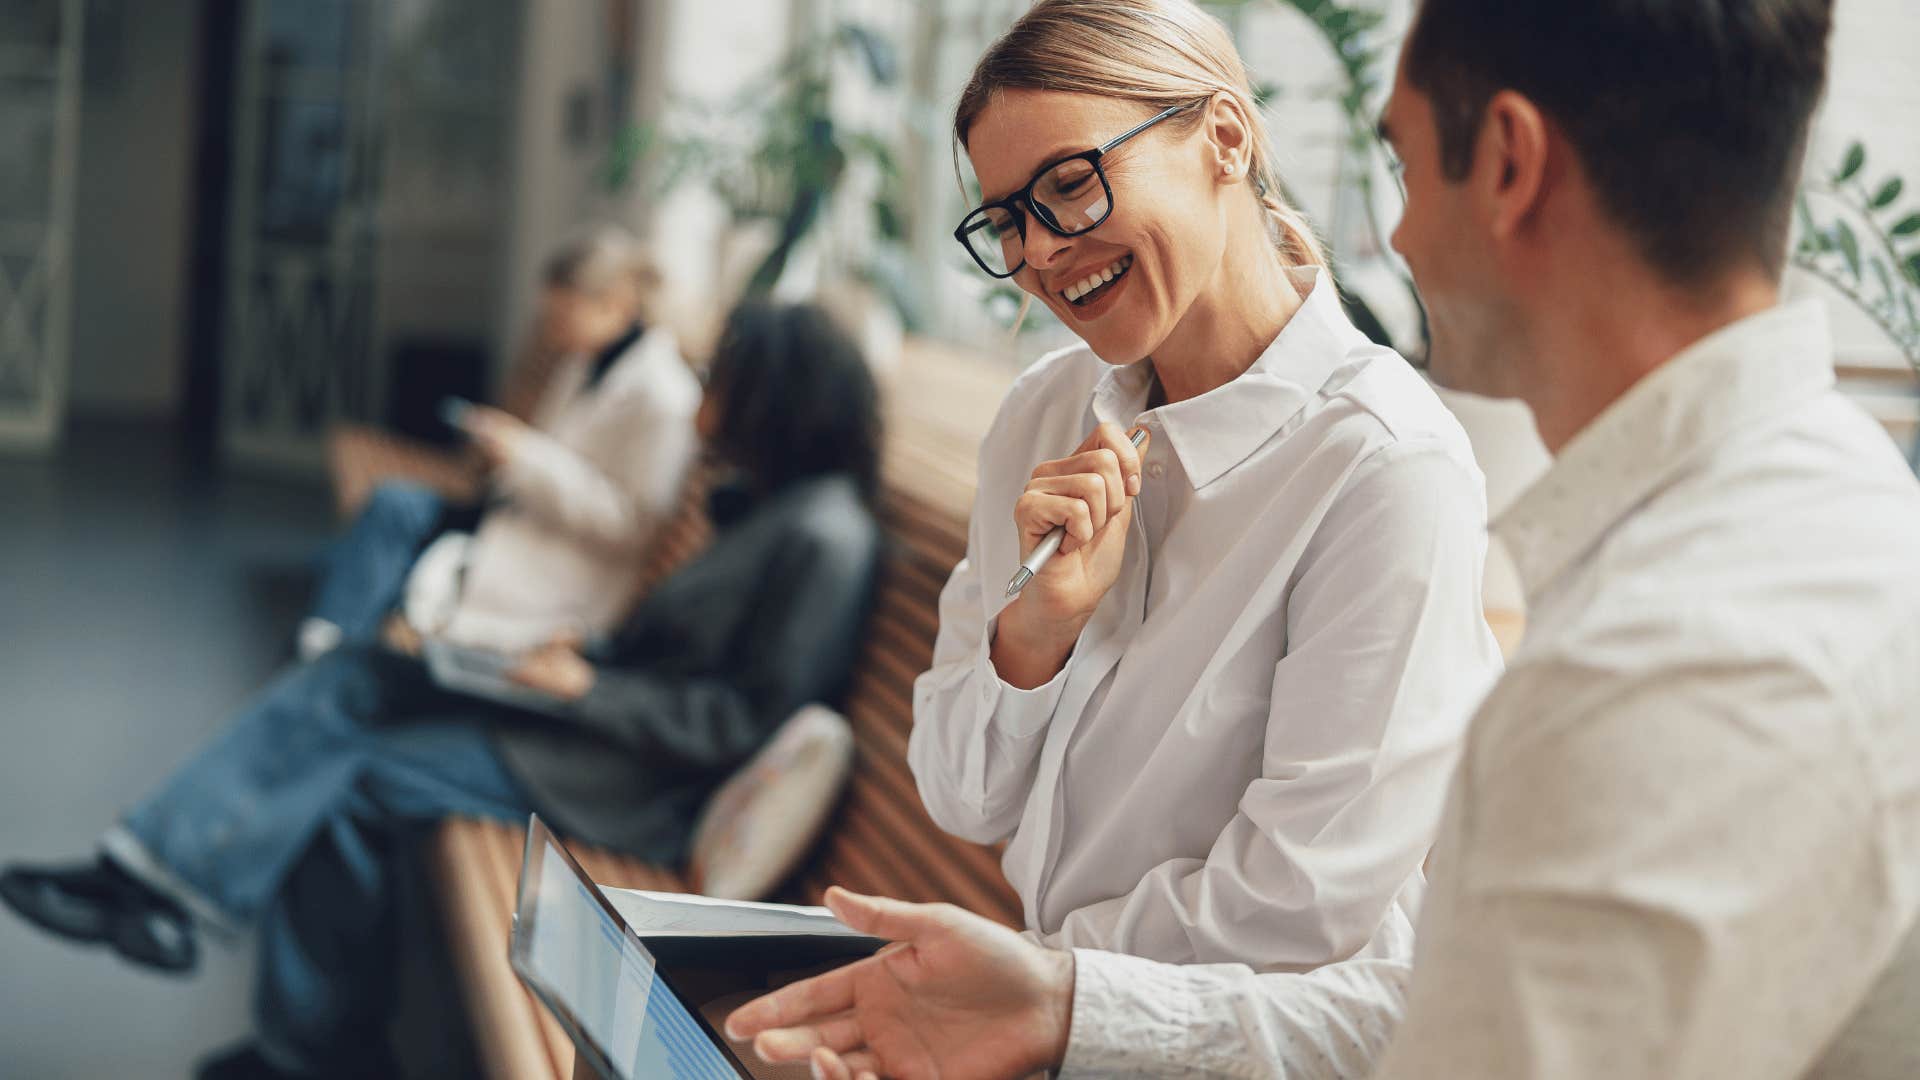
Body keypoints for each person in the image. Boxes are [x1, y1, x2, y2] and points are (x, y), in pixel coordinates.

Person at [725, 1, 1920, 1077]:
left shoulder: (1661, 643)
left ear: (1506, 163)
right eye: (1007, 221)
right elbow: (1437, 1016)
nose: (1391, 242)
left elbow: (1334, 941)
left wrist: (1050, 995)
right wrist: (1053, 996)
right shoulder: (1784, 537)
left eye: (1400, 164)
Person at [0, 300, 887, 1080]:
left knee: (359, 777)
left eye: (722, 378)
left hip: (625, 777)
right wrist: (588, 652)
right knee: (358, 674)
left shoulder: (824, 538)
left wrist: (585, 688)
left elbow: (739, 720)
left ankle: (284, 1023)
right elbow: (694, 655)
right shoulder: (782, 506)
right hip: (596, 722)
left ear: (773, 398)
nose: (706, 395)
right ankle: (155, 883)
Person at [907, 0, 1502, 983]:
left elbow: (1298, 900)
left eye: (1069, 184)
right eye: (1008, 219)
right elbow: (960, 797)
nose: (1044, 251)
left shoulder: (1384, 465)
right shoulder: (1041, 415)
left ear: (1225, 138)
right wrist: (1034, 633)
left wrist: (1033, 981)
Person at [298, 225, 701, 660]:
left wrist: (525, 457)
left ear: (617, 307)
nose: (551, 332)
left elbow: (634, 527)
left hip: (564, 562)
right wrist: (508, 449)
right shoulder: (587, 363)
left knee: (387, 526)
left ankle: (328, 649)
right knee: (391, 510)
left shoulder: (664, 398)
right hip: (521, 516)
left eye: (561, 318)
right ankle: (329, 643)